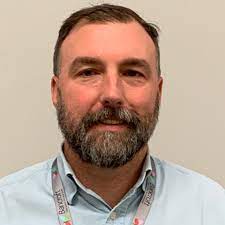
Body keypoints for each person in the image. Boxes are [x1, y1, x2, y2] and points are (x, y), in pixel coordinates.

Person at [0, 3, 225, 225]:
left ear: (158, 92)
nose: (112, 94)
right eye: (88, 72)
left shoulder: (211, 208)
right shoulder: (5, 208)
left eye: (132, 73)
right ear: (55, 91)